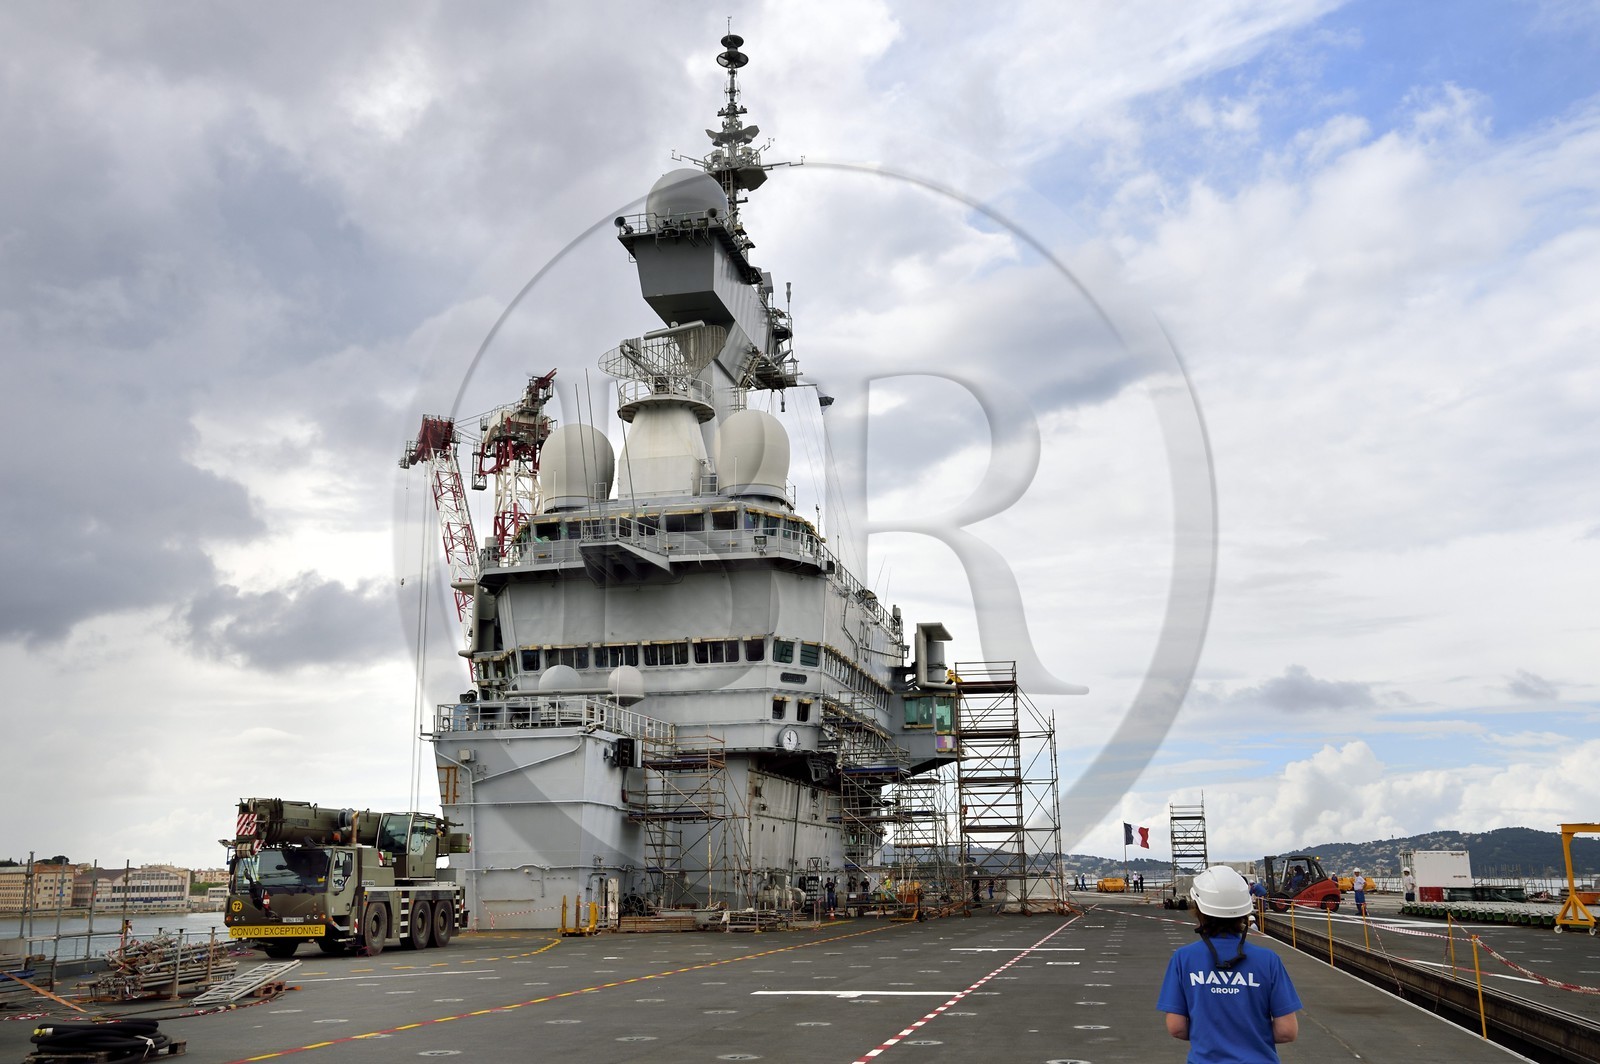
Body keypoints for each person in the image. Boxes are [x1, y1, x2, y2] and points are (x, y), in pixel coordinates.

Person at [1158, 865, 1301, 1062]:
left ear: (1198, 909)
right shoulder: (1269, 960)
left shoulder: (1183, 958)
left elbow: (1176, 1027)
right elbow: (1287, 1031)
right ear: (1244, 912)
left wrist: (1211, 1036)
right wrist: (1250, 1035)